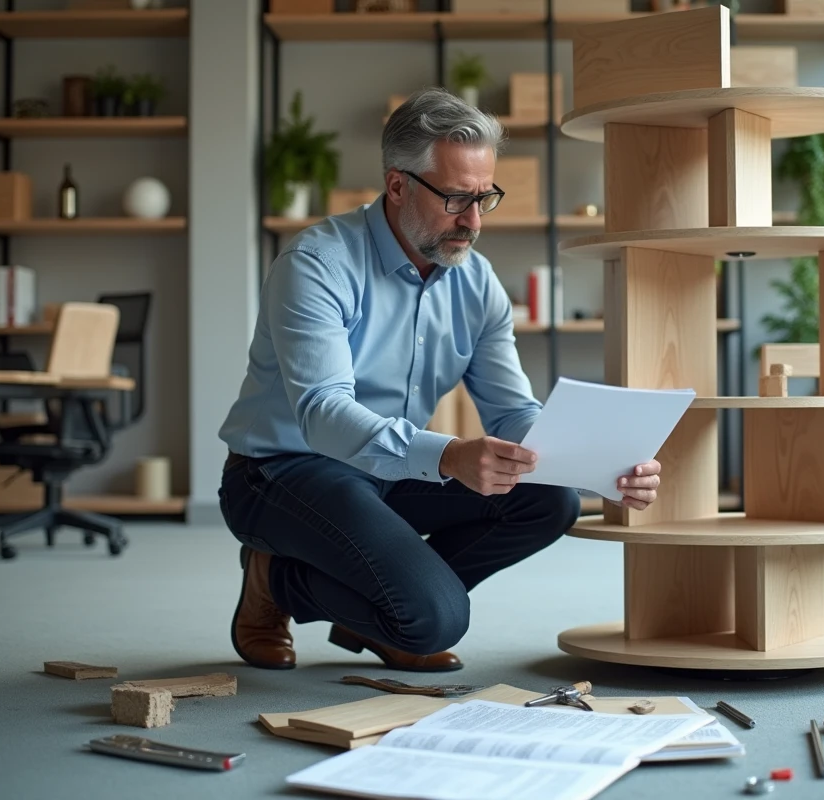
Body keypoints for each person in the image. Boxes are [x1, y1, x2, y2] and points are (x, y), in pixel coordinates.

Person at [217, 87, 663, 673]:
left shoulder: (477, 283)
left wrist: (595, 463)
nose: (474, 222)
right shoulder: (317, 265)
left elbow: (512, 414)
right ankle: (274, 580)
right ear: (397, 184)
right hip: (281, 472)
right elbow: (323, 411)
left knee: (549, 500)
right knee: (434, 622)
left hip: (391, 469)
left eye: (485, 198)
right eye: (456, 199)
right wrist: (450, 455)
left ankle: (380, 603)